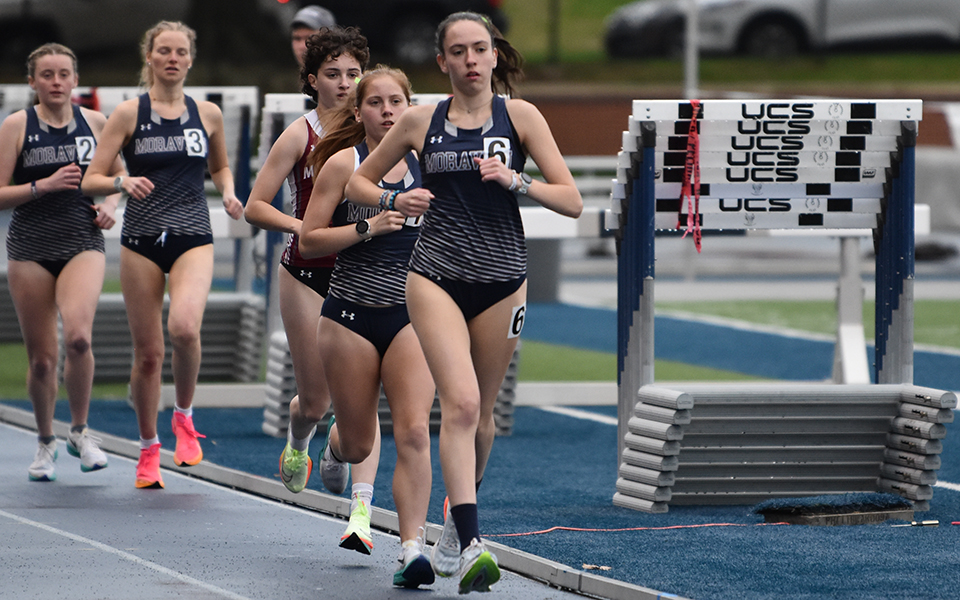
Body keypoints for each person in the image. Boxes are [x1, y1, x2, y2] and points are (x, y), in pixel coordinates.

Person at [345, 11, 583, 594]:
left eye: (481, 49)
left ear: (495, 56)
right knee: (460, 403)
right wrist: (398, 199)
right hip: (435, 276)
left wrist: (517, 182)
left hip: (502, 280)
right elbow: (357, 184)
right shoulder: (421, 121)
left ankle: (454, 527)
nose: (472, 60)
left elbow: (572, 200)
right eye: (460, 51)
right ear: (443, 62)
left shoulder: (521, 117)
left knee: (483, 421)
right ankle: (474, 540)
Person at [81, 21, 243, 489]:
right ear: (149, 57)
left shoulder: (207, 113)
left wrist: (229, 191)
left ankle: (185, 418)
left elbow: (221, 165)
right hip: (141, 238)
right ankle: (148, 448)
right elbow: (92, 177)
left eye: (180, 51)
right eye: (163, 51)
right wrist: (120, 182)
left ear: (190, 59)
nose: (172, 58)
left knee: (185, 328)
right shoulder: (129, 114)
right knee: (149, 354)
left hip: (193, 232)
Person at [299, 66, 436, 589]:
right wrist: (367, 226)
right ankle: (334, 449)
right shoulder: (343, 164)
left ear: (409, 107)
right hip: (350, 316)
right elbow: (309, 242)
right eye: (375, 103)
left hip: (411, 316)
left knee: (414, 430)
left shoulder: (429, 163)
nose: (386, 111)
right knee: (359, 444)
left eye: (395, 102)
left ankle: (411, 548)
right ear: (358, 113)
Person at [244, 27, 381, 506]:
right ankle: (300, 438)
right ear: (312, 80)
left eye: (353, 73)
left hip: (365, 273)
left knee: (362, 400)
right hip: (307, 272)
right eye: (332, 74)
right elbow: (254, 206)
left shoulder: (380, 131)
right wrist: (300, 225)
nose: (344, 83)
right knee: (317, 401)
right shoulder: (299, 134)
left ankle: (358, 498)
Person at [0, 43, 123, 482]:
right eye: (47, 75)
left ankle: (80, 431)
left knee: (79, 339)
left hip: (81, 242)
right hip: (30, 248)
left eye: (63, 74)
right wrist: (43, 185)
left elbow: (115, 177)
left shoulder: (96, 123)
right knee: (41, 360)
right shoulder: (17, 125)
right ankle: (45, 439)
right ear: (32, 81)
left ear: (75, 80)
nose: (56, 82)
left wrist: (110, 202)